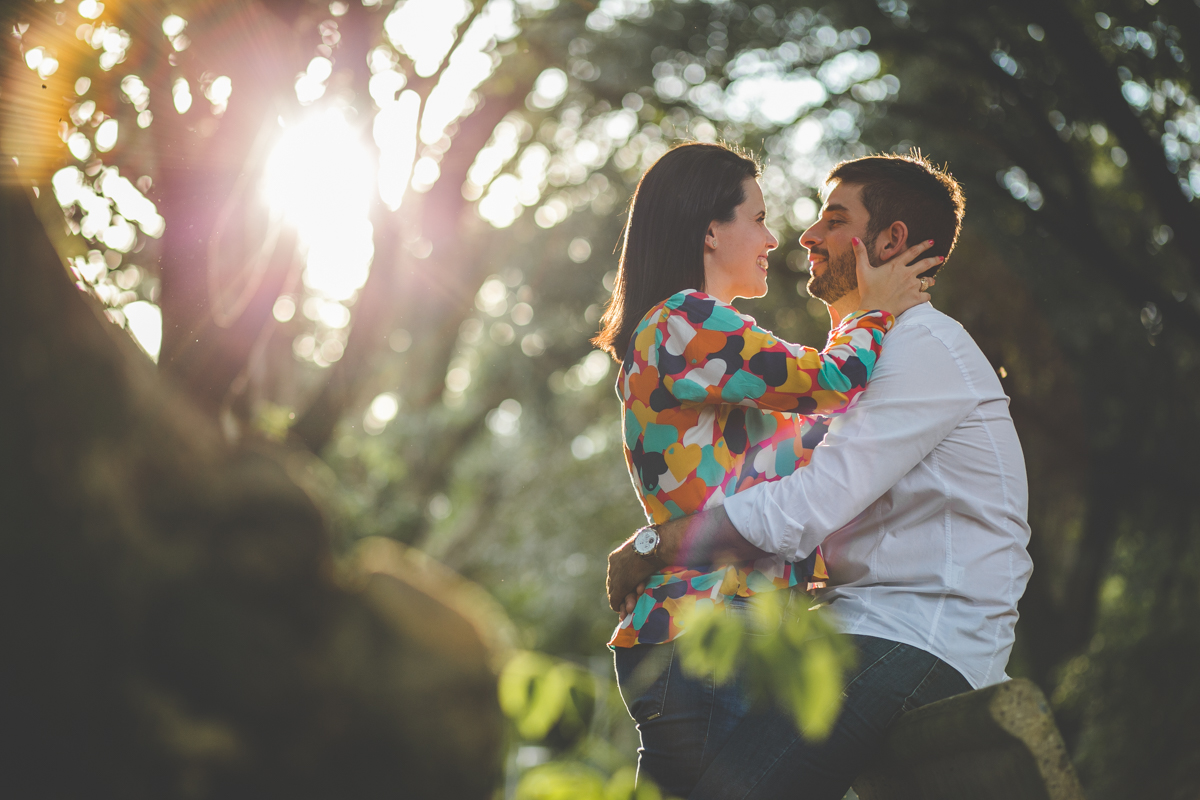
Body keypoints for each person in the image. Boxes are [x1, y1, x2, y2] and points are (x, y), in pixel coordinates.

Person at [606, 152, 1034, 799]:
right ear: (709, 231)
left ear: (889, 241)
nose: (800, 237)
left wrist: (656, 545)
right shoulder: (695, 323)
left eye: (833, 220)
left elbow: (805, 503)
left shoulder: (918, 346)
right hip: (740, 622)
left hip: (908, 633)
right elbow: (806, 449)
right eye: (762, 218)